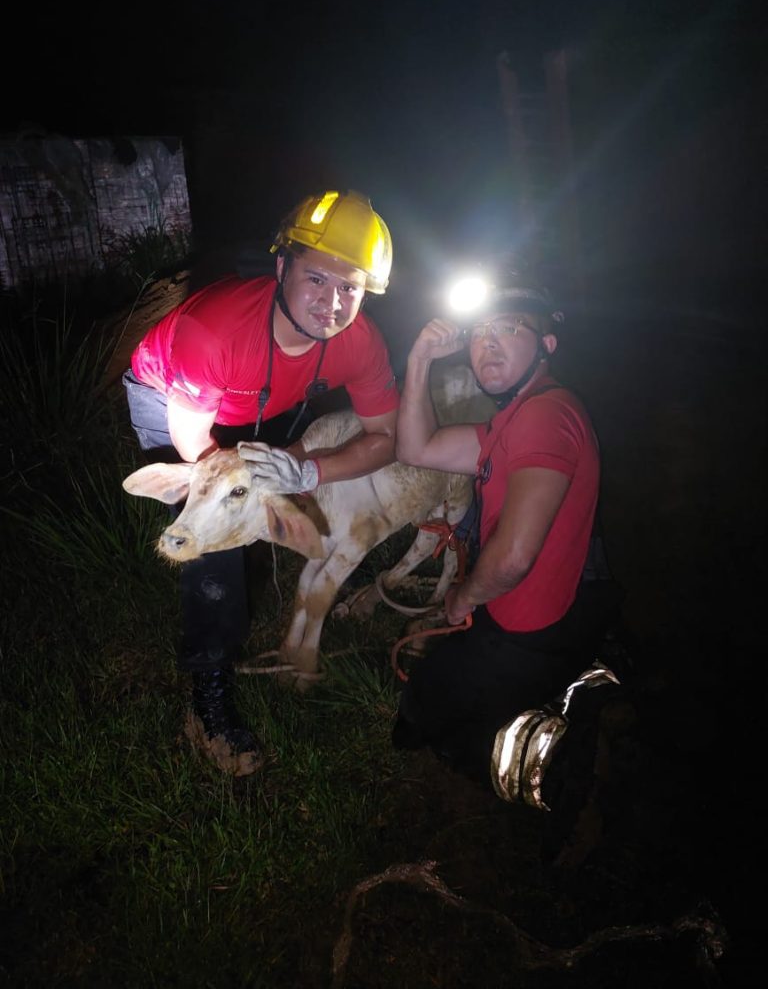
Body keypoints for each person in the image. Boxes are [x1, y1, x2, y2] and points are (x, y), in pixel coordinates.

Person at [122, 190, 399, 776]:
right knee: (214, 536)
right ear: (282, 267)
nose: (332, 303)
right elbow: (205, 453)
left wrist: (307, 469)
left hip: (256, 395)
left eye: (350, 288)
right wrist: (251, 497)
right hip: (169, 394)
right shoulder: (216, 329)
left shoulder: (361, 342)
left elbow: (385, 439)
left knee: (267, 488)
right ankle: (209, 694)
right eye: (317, 279)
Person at [392, 271, 614, 810]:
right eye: (479, 331)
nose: (487, 342)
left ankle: (562, 740)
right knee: (433, 689)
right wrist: (419, 359)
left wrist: (460, 598)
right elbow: (415, 447)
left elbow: (513, 556)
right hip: (534, 613)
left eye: (509, 327)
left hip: (532, 628)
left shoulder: (544, 416)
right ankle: (567, 680)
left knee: (422, 719)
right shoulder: (508, 424)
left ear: (546, 345)